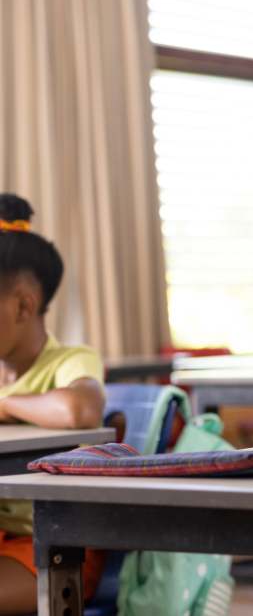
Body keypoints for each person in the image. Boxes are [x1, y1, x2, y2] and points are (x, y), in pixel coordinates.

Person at [0, 194, 107, 615]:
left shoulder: (69, 361)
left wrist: (5, 402)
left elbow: (79, 410)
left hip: (53, 544)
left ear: (24, 305)